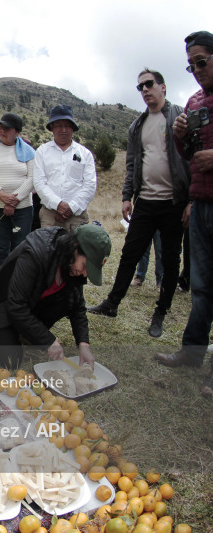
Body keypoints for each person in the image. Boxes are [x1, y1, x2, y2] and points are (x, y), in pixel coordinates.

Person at [88, 69, 190, 338]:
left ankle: (161, 311)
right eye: (140, 87)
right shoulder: (137, 126)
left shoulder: (181, 116)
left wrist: (191, 200)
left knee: (170, 259)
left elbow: (190, 158)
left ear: (163, 87)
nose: (144, 90)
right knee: (129, 255)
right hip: (145, 202)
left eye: (149, 84)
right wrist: (125, 197)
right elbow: (132, 164)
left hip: (174, 203)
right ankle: (112, 304)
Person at [156, 30, 213, 398]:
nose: (195, 70)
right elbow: (188, 152)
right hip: (202, 202)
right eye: (190, 64)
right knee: (201, 285)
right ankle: (192, 354)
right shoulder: (193, 101)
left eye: (201, 62)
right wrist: (179, 135)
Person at [0, 224, 111, 369]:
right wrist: (48, 340)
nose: (85, 273)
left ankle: (24, 332)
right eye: (85, 265)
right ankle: (7, 331)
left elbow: (77, 307)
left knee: (66, 300)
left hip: (29, 306)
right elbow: (16, 305)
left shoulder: (72, 265)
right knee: (9, 360)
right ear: (75, 246)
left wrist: (83, 344)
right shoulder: (37, 252)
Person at [0, 112, 36, 269]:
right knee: (2, 249)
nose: (2, 131)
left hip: (23, 208)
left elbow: (32, 178)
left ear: (17, 132)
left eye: (7, 128)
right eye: (1, 127)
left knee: (20, 248)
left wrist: (13, 201)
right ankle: (0, 286)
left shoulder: (29, 152)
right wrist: (1, 195)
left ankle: (17, 285)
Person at [33, 105, 97, 230]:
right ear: (52, 127)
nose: (63, 130)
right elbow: (39, 183)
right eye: (58, 125)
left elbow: (90, 185)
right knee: (48, 249)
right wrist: (58, 205)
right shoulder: (42, 152)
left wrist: (71, 208)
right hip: (50, 216)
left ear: (73, 127)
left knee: (76, 250)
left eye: (67, 125)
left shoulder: (85, 154)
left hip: (77, 216)